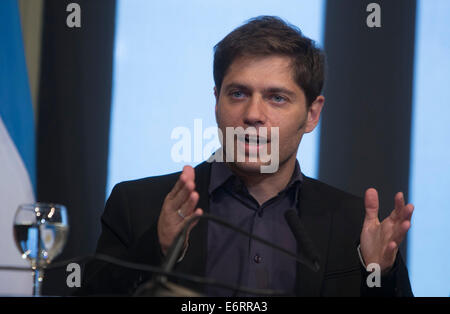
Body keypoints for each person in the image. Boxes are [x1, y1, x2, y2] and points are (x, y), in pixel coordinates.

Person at [79, 16, 414, 296]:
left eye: (277, 98)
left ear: (312, 114)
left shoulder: (351, 222)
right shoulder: (137, 205)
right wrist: (157, 249)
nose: (253, 113)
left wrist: (378, 274)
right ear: (216, 101)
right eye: (237, 93)